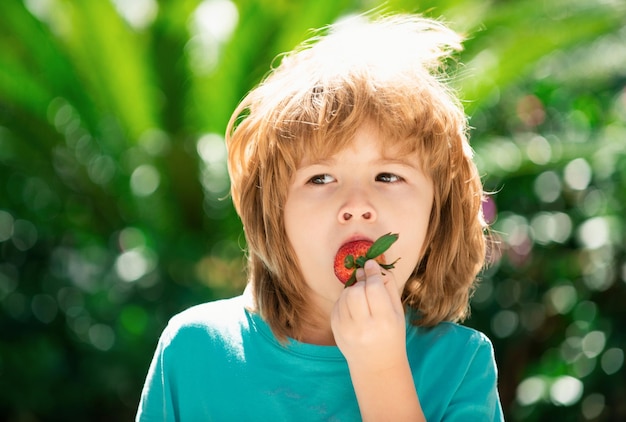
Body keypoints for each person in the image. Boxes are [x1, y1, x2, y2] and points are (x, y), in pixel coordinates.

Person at [136, 12, 504, 421]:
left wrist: (380, 368)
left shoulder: (460, 365)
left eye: (388, 175)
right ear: (273, 215)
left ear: (438, 216)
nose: (357, 204)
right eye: (321, 177)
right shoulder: (194, 351)